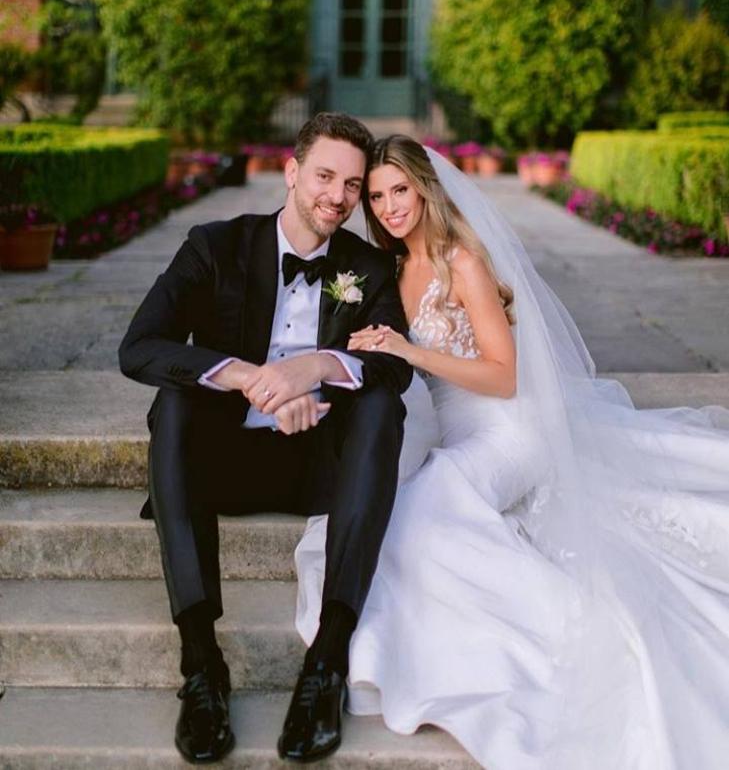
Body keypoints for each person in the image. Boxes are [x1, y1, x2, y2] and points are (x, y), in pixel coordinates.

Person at [295, 134, 729, 770]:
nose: (389, 206)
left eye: (401, 191)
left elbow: (505, 375)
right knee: (387, 505)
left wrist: (410, 351)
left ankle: (560, 627)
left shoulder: (461, 262)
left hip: (507, 430)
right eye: (379, 195)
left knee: (422, 508)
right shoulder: (384, 270)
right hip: (455, 430)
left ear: (425, 190)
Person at [118, 113, 412, 764]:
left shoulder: (367, 266)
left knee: (380, 408)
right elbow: (138, 348)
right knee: (174, 403)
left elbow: (395, 364)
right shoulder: (214, 245)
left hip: (320, 466)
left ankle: (326, 663)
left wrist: (315, 370)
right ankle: (200, 666)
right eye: (324, 176)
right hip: (226, 462)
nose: (336, 196)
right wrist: (247, 378)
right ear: (290, 172)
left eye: (352, 185)